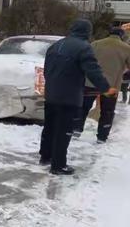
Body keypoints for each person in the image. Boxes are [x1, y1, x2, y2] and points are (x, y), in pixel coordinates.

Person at [39, 19, 117, 175]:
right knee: (64, 130)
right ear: (87, 32)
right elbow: (93, 71)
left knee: (50, 127)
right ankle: (58, 165)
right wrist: (106, 89)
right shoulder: (83, 48)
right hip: (68, 96)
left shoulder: (56, 45)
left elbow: (46, 69)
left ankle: (45, 157)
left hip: (51, 93)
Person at [74, 27, 130, 142]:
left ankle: (76, 130)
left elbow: (85, 61)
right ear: (121, 36)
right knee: (107, 111)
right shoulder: (126, 48)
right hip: (111, 85)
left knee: (83, 107)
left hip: (91, 82)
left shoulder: (95, 44)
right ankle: (102, 137)